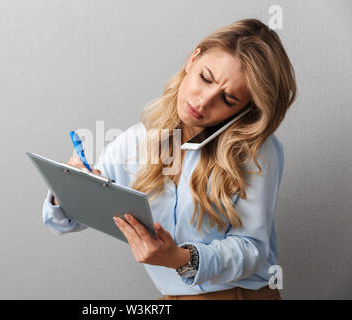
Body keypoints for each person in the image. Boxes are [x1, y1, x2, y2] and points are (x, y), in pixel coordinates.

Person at [42, 18, 296, 300]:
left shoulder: (256, 151)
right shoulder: (137, 140)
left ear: (245, 110)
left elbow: (253, 250)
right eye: (205, 78)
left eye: (228, 99)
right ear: (193, 58)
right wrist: (71, 186)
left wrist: (178, 258)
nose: (203, 102)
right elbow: (64, 222)